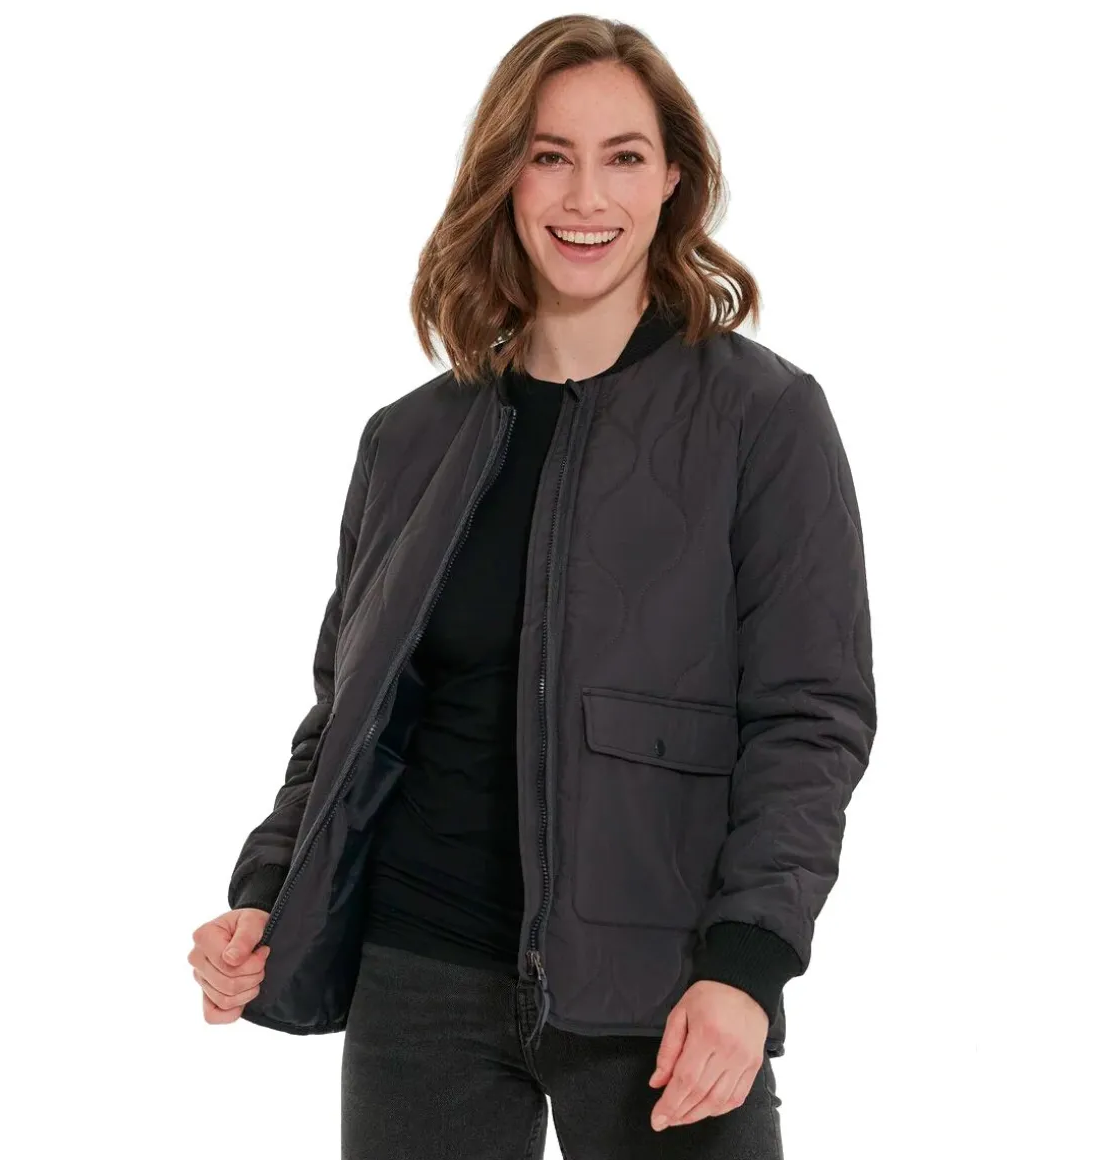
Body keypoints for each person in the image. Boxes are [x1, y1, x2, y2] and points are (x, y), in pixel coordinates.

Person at [188, 14, 876, 1159]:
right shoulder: (408, 439)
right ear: (504, 175)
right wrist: (265, 888)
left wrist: (746, 964)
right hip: (418, 976)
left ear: (672, 179)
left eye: (622, 156)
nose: (583, 196)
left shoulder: (760, 418)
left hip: (661, 980)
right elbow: (345, 717)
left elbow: (811, 717)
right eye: (549, 155)